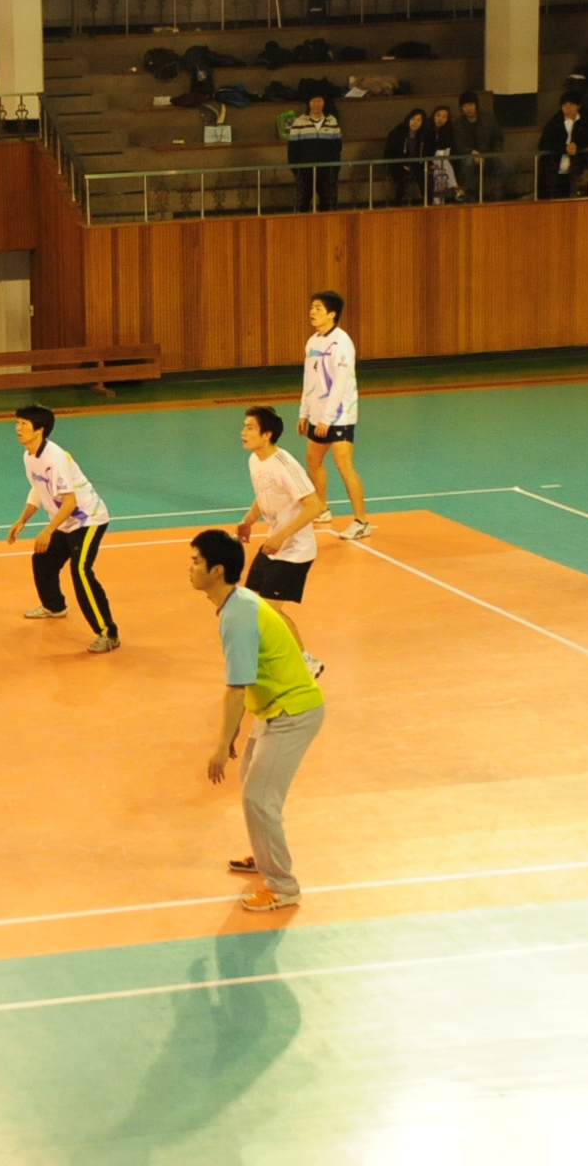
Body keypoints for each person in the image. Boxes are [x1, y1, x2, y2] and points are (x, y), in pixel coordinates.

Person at [189, 529, 325, 913]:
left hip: (294, 713)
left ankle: (283, 886)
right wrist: (234, 731)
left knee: (258, 798)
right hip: (273, 709)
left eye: (196, 562)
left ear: (217, 570)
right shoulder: (238, 603)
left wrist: (221, 744)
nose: (190, 569)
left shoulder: (238, 614)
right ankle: (265, 855)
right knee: (253, 783)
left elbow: (236, 688)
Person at [6, 405, 119, 654]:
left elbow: (70, 502)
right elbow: (38, 488)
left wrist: (48, 530)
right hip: (66, 521)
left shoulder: (55, 458)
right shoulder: (29, 456)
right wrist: (22, 519)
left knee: (81, 570)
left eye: (23, 424)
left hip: (88, 519)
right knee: (43, 559)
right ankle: (54, 606)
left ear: (40, 430)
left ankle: (108, 633)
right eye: (18, 422)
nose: (17, 428)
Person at [234, 405, 326, 678]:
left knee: (269, 611)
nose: (243, 433)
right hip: (274, 546)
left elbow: (315, 506)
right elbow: (264, 494)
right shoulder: (255, 460)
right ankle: (268, 659)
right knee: (252, 605)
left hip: (295, 551)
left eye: (250, 428)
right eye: (244, 427)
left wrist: (280, 537)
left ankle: (306, 662)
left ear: (267, 435)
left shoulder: (285, 465)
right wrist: (249, 520)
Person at [301, 291, 372, 541]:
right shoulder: (312, 342)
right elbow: (309, 379)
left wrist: (327, 418)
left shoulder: (341, 343)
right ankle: (321, 509)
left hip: (340, 416)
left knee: (343, 464)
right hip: (318, 415)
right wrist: (304, 412)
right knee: (313, 460)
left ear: (332, 314)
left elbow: (340, 383)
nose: (312, 312)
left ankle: (361, 521)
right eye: (312, 307)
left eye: (318, 308)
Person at [287, 93, 343, 212]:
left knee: (327, 204)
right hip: (305, 171)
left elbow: (337, 147)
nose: (316, 104)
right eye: (313, 101)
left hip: (326, 171)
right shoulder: (299, 122)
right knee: (302, 204)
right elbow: (292, 149)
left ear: (324, 103)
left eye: (319, 101)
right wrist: (296, 169)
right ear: (308, 103)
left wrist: (335, 168)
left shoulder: (332, 121)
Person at [450, 90, 505, 201]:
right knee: (468, 163)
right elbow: (458, 145)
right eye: (465, 106)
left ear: (476, 105)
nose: (468, 109)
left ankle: (496, 194)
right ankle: (469, 194)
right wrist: (472, 152)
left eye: (471, 105)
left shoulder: (489, 119)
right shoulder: (457, 124)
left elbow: (498, 139)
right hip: (468, 158)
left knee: (507, 167)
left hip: (488, 157)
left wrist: (490, 154)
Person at [537, 92, 586, 199]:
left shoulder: (584, 122)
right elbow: (543, 144)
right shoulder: (554, 122)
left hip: (572, 169)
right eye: (564, 105)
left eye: (571, 105)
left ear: (578, 106)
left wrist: (577, 146)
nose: (567, 108)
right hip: (552, 168)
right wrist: (564, 148)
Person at [382, 107, 430, 206]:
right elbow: (389, 154)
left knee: (422, 177)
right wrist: (402, 165)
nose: (415, 123)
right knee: (404, 177)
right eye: (412, 119)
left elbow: (426, 154)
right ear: (408, 119)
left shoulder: (424, 136)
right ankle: (397, 204)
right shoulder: (397, 134)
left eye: (418, 120)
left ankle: (428, 204)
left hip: (416, 165)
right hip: (397, 164)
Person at [425, 104, 460, 204]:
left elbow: (451, 150)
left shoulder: (449, 131)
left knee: (440, 171)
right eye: (438, 115)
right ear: (433, 115)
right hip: (430, 161)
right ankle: (456, 187)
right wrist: (429, 164)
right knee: (440, 160)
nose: (440, 119)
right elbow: (425, 152)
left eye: (444, 117)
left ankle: (438, 201)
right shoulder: (426, 130)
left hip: (444, 161)